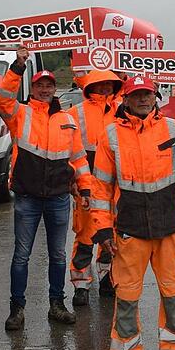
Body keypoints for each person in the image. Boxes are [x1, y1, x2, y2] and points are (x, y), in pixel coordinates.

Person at [91, 76, 175, 350]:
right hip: (130, 228)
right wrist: (102, 229)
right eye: (136, 94)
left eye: (147, 94)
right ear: (125, 99)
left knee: (174, 295)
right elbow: (100, 187)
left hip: (168, 227)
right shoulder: (110, 135)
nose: (142, 99)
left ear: (155, 96)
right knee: (126, 297)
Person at [0, 46, 91, 331]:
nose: (45, 89)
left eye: (49, 85)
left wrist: (85, 189)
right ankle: (17, 309)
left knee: (58, 255)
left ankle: (56, 304)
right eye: (40, 85)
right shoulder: (20, 113)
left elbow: (79, 159)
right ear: (33, 89)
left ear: (54, 89)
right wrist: (17, 67)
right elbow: (2, 99)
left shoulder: (68, 120)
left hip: (59, 197)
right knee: (21, 256)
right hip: (28, 196)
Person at [68, 70, 124, 308]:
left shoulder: (122, 109)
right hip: (88, 182)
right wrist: (74, 180)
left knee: (111, 234)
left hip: (115, 183)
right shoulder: (76, 112)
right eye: (100, 84)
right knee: (85, 235)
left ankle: (107, 278)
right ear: (90, 86)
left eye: (109, 84)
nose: (104, 88)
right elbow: (69, 150)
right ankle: (81, 285)